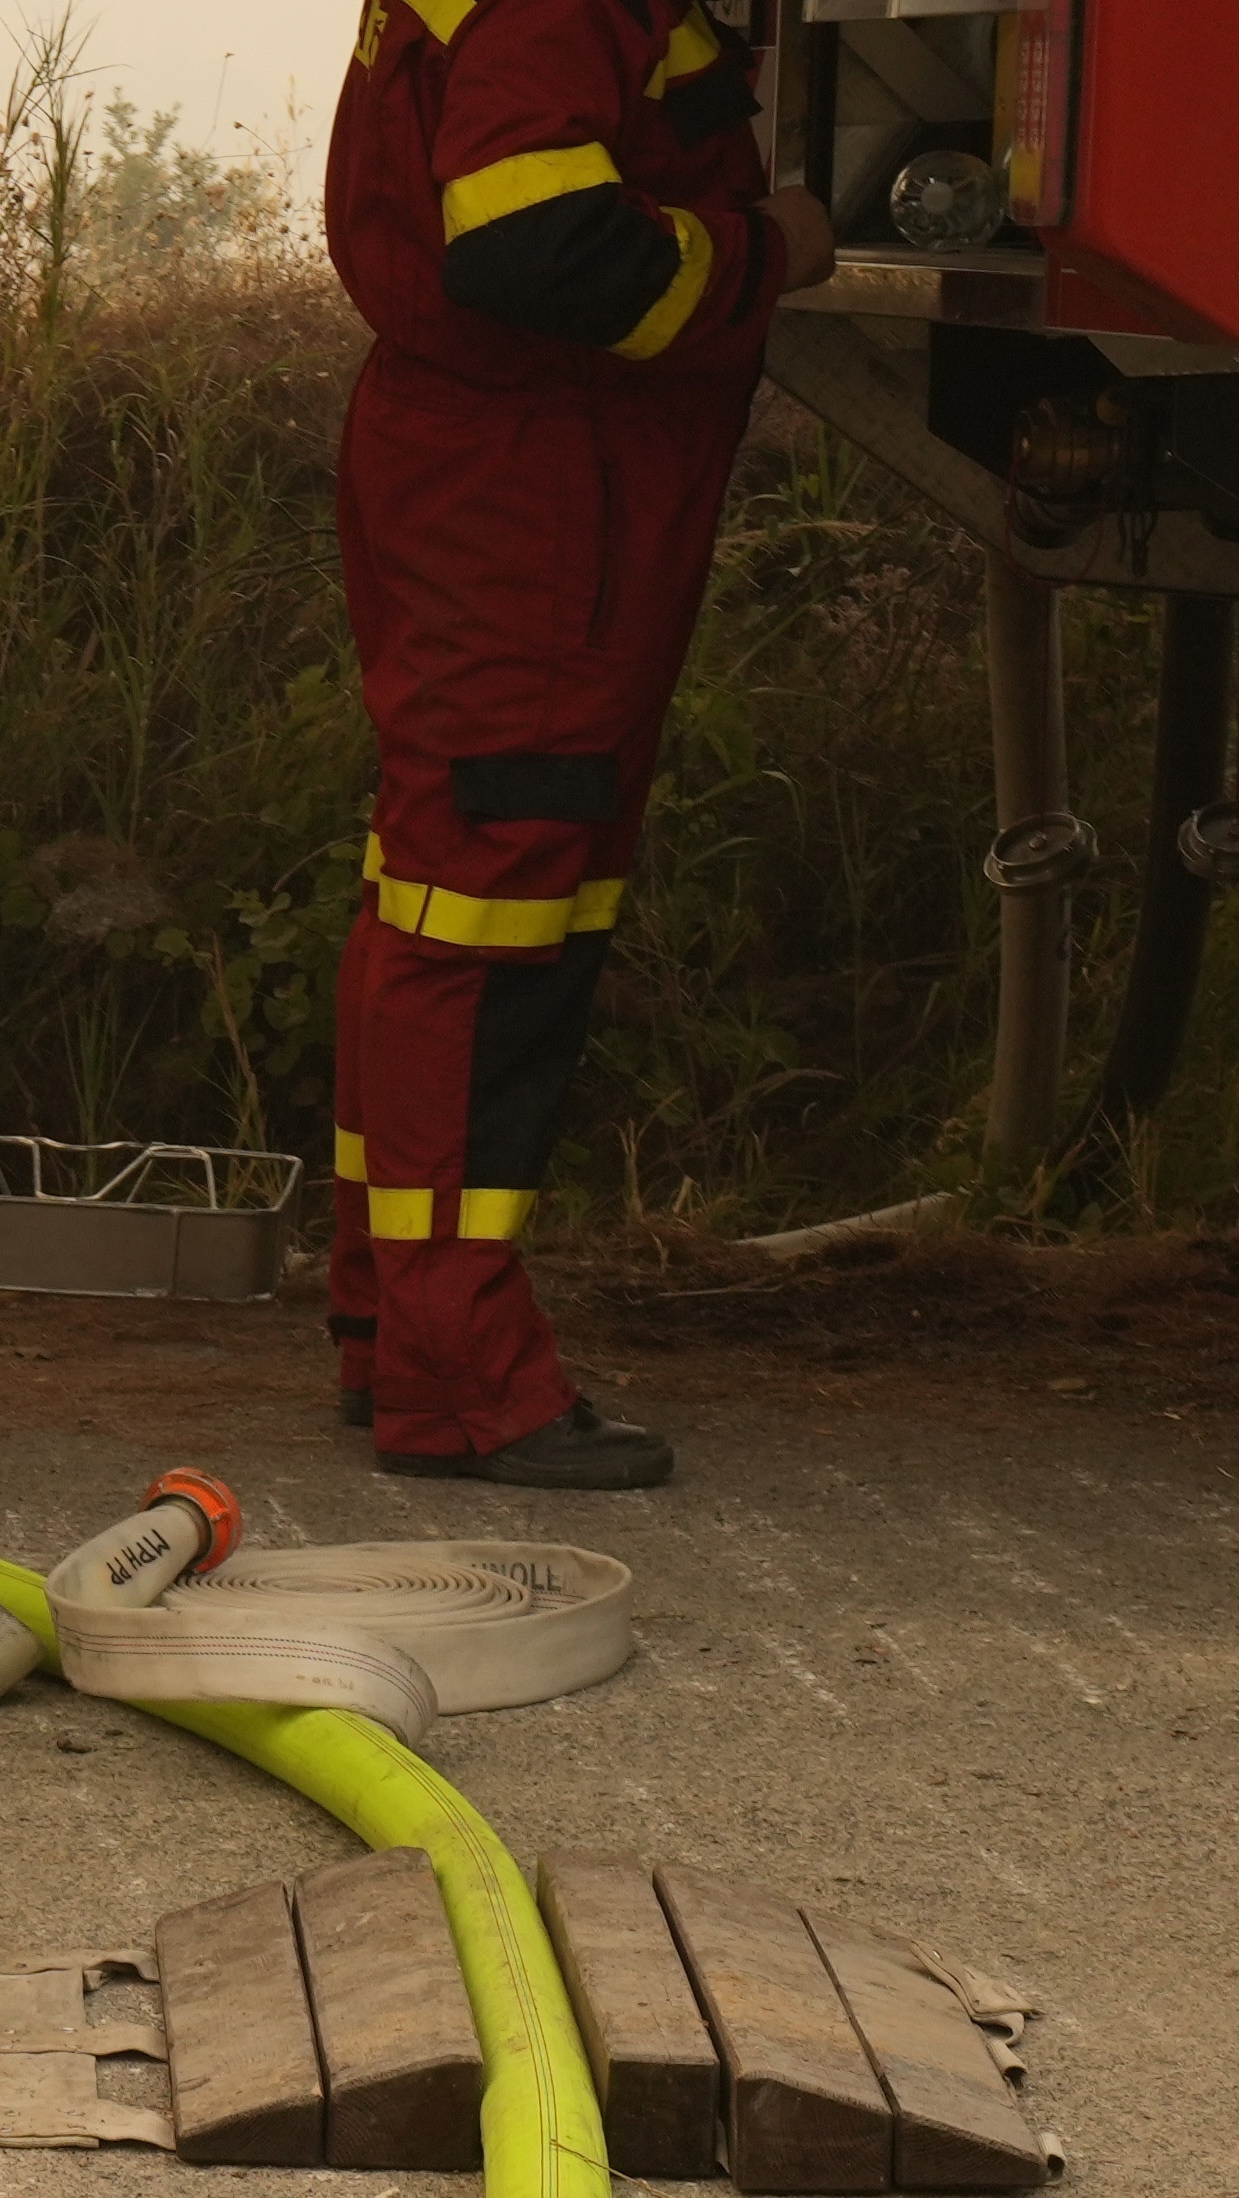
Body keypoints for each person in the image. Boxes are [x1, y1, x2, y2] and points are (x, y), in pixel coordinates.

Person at [323, 0, 832, 1488]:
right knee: (484, 919)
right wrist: (772, 252)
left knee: (440, 898)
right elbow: (538, 251)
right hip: (538, 500)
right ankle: (458, 1377)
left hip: (517, 474)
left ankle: (392, 1320)